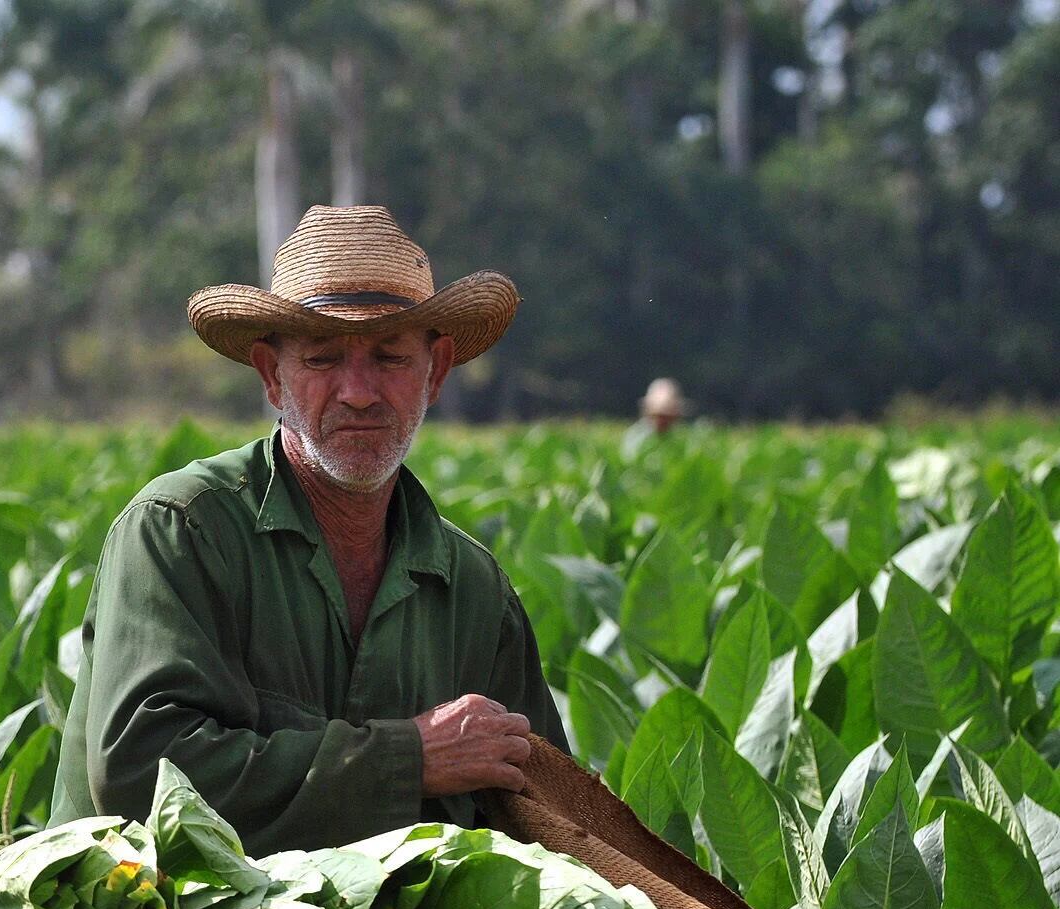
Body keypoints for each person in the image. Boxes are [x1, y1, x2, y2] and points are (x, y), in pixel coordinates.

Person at [49, 204, 568, 853]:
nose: (358, 391)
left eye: (390, 357)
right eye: (322, 359)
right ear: (272, 375)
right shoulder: (182, 531)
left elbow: (550, 809)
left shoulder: (472, 589)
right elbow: (137, 777)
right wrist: (408, 761)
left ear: (435, 371)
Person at [621, 376, 686, 456]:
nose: (663, 421)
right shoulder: (637, 437)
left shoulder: (678, 438)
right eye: (660, 416)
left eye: (668, 417)